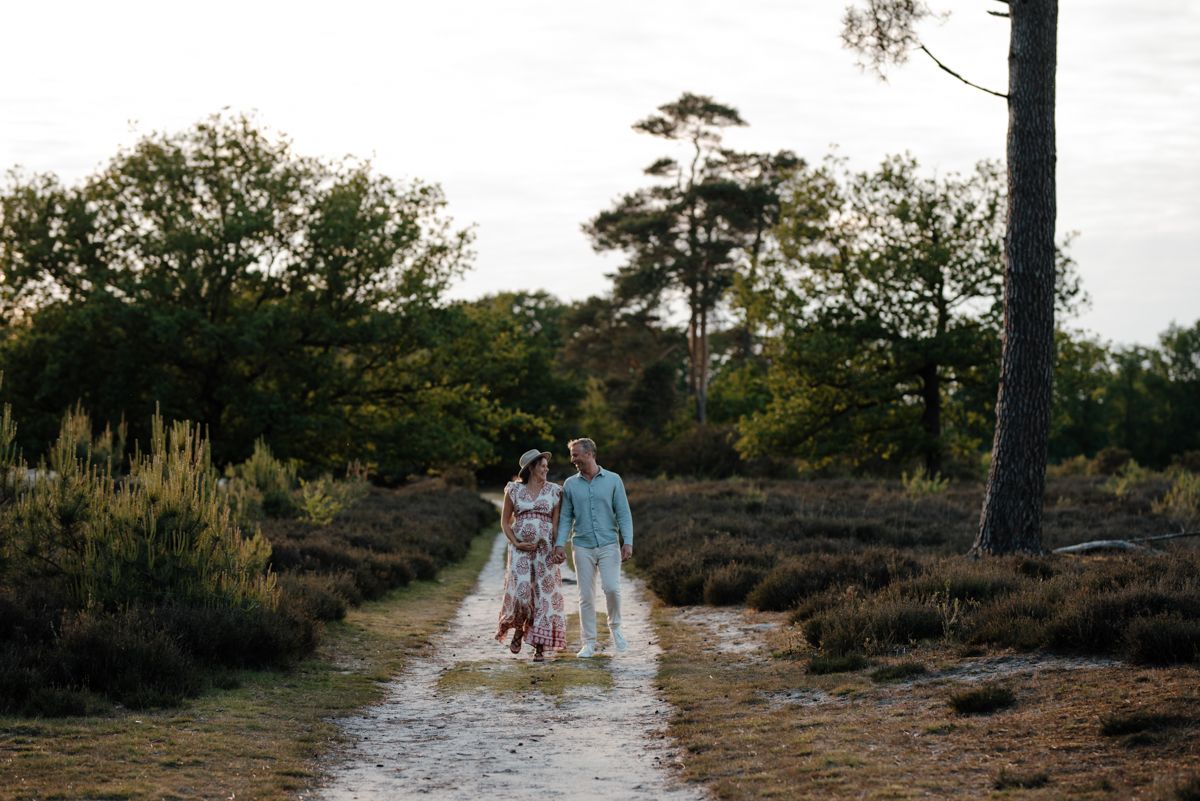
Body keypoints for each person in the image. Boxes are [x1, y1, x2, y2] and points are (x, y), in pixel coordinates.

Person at [552, 437, 633, 658]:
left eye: (576, 454)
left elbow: (623, 513)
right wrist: (560, 544)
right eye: (572, 455)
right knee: (585, 596)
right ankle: (588, 643)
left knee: (612, 589)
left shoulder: (614, 480)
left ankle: (615, 627)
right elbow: (566, 517)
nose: (573, 459)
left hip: (609, 544)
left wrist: (628, 541)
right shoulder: (570, 484)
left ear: (590, 454)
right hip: (582, 546)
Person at [495, 448, 567, 661]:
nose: (546, 469)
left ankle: (539, 647)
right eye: (542, 465)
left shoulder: (555, 491)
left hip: (545, 551)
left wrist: (558, 548)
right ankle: (518, 629)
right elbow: (505, 522)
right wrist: (516, 541)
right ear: (531, 468)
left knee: (543, 597)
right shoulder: (514, 490)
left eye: (546, 465)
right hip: (520, 551)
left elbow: (556, 524)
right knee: (522, 593)